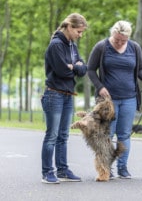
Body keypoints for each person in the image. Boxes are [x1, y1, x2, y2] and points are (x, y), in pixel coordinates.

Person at [87, 20, 142, 179]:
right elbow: (90, 70)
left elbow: (141, 69)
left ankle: (123, 168)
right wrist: (100, 87)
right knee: (107, 135)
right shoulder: (101, 47)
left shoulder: (134, 48)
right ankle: (106, 169)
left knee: (124, 134)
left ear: (128, 38)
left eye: (123, 40)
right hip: (107, 101)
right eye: (117, 39)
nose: (119, 43)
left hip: (129, 98)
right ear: (112, 34)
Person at [41, 13, 88, 184]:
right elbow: (62, 71)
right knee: (52, 135)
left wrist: (74, 66)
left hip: (68, 95)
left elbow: (84, 69)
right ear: (69, 27)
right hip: (54, 94)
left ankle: (62, 170)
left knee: (63, 135)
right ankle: (47, 172)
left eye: (82, 32)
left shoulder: (72, 46)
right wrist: (75, 67)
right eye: (78, 31)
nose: (80, 35)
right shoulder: (56, 45)